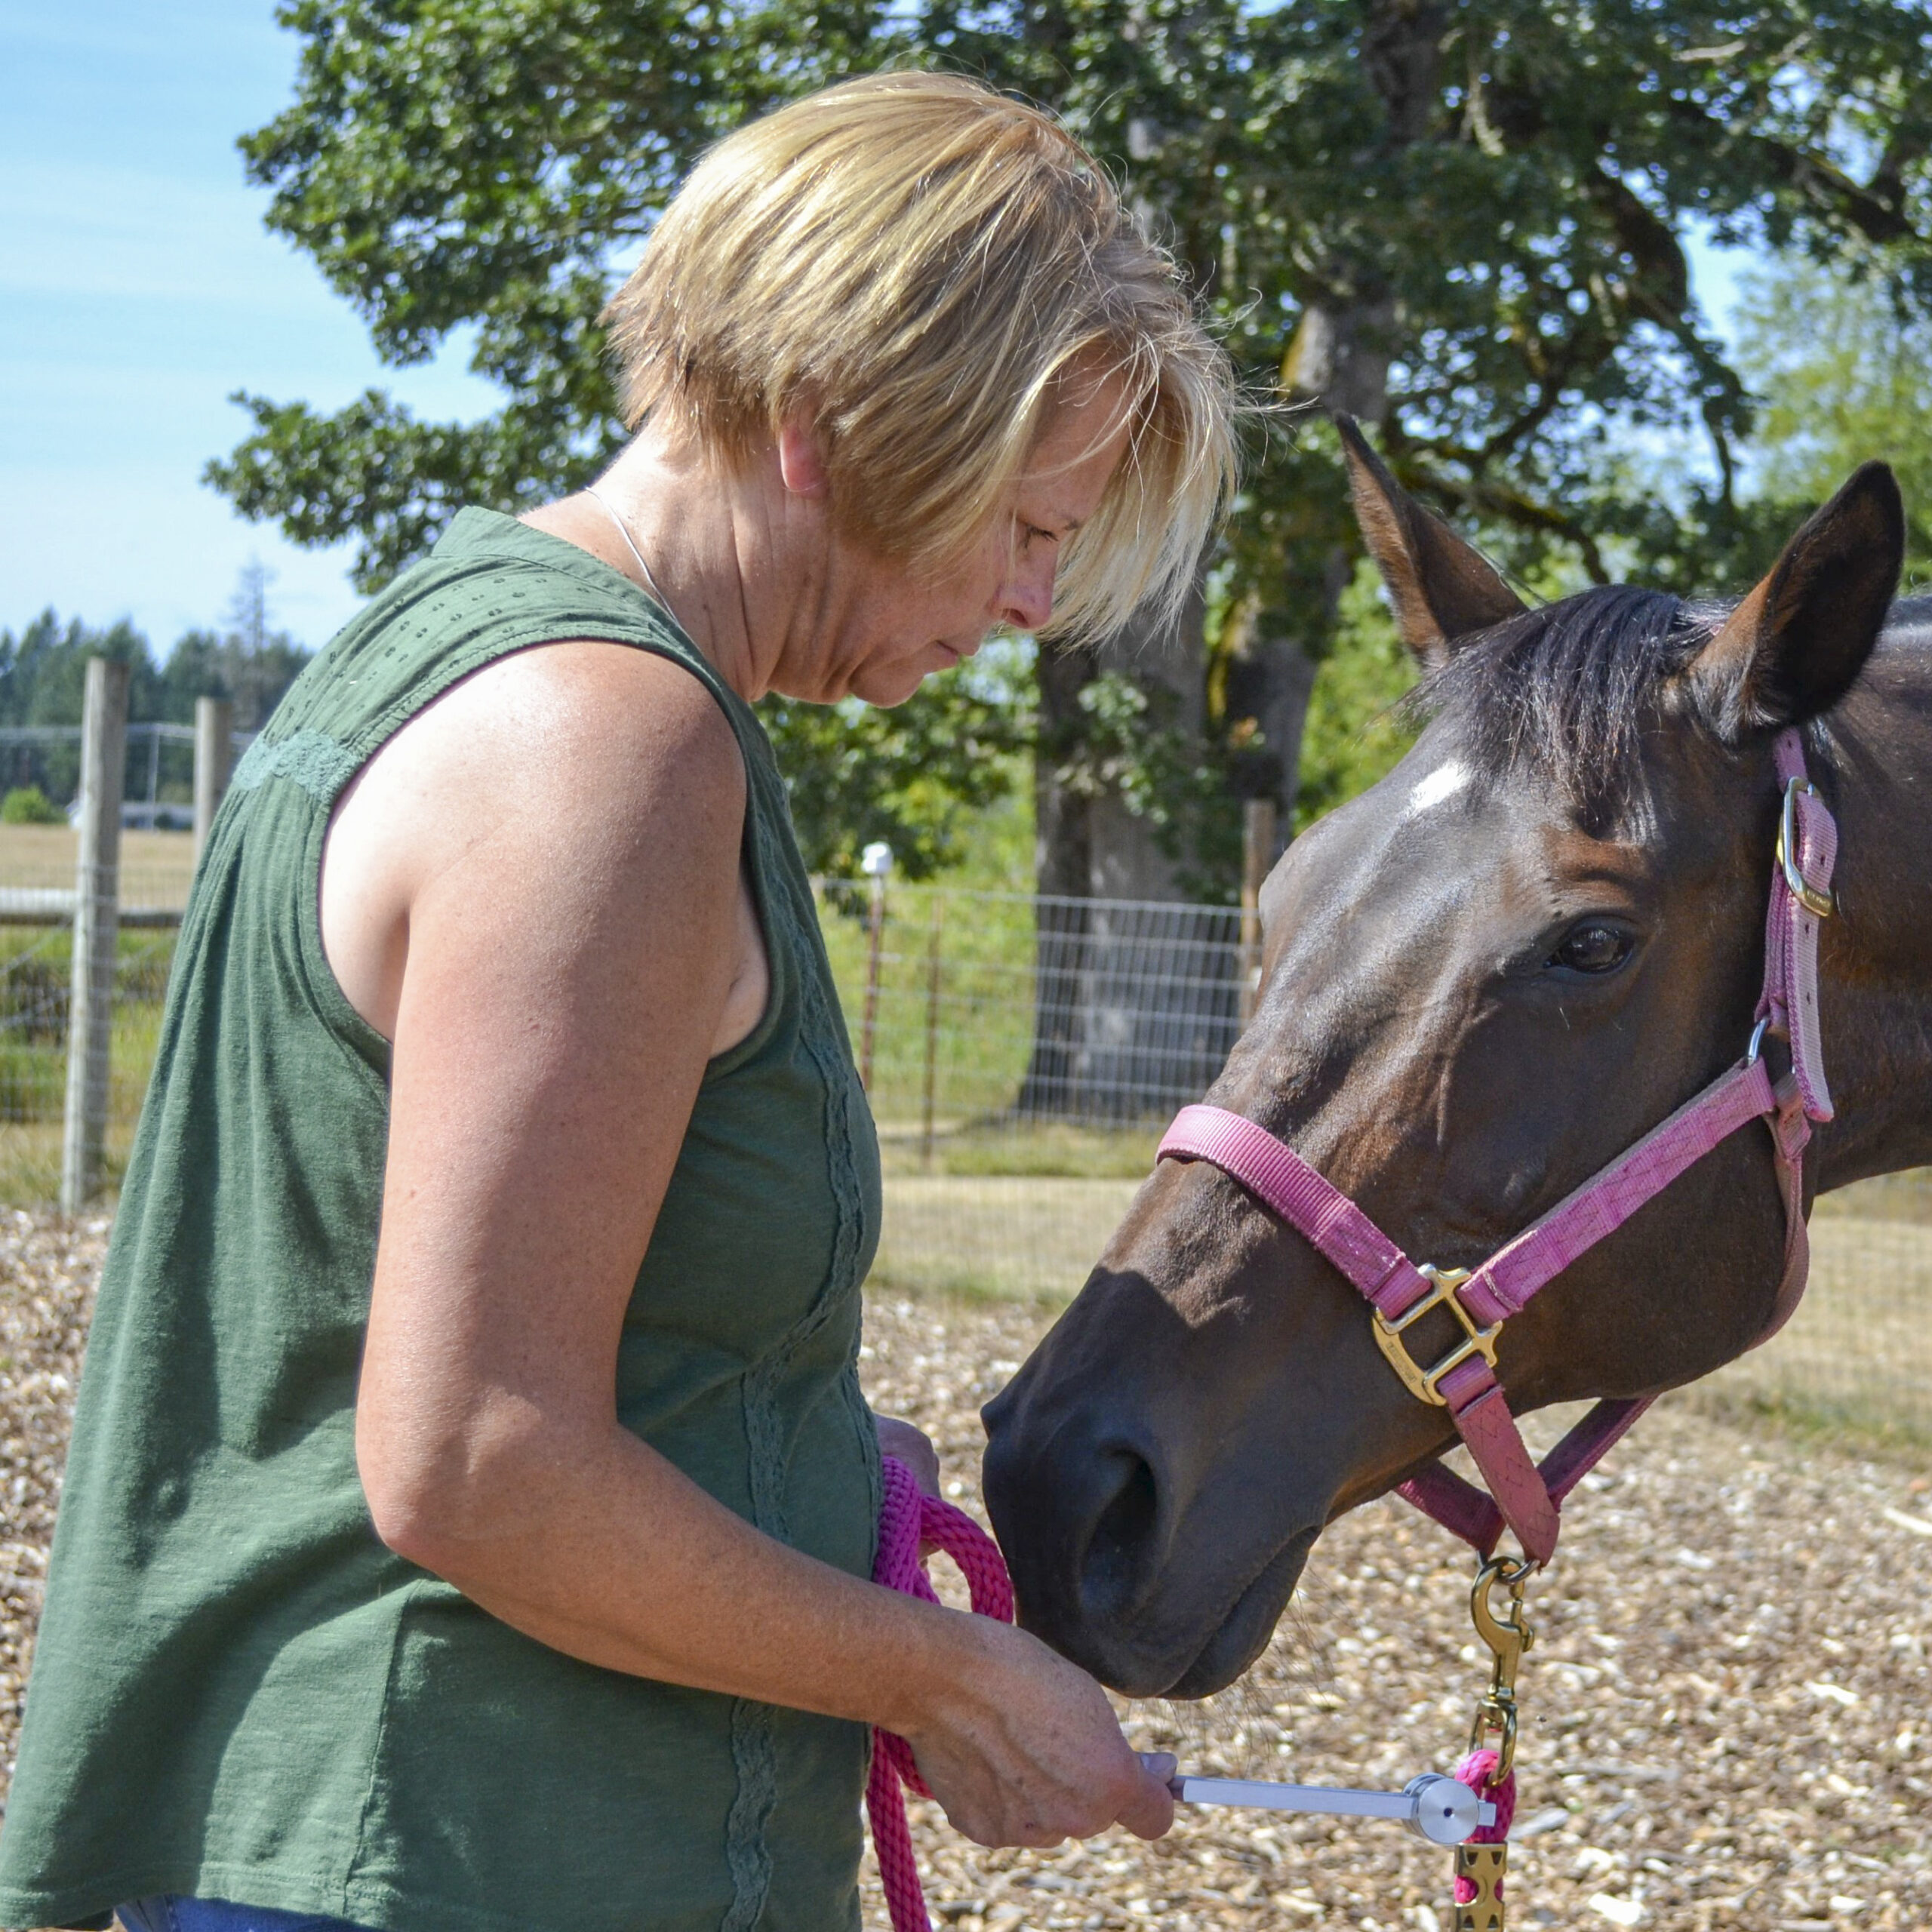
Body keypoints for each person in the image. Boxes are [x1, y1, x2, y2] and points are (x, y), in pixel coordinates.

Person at [0, 71, 1236, 1932]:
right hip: (465, 1851)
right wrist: (943, 1676)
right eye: (1027, 527)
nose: (1027, 604)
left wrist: (797, 1453)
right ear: (831, 424)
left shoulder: (450, 651)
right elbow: (480, 1459)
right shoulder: (610, 748)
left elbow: (453, 1314)